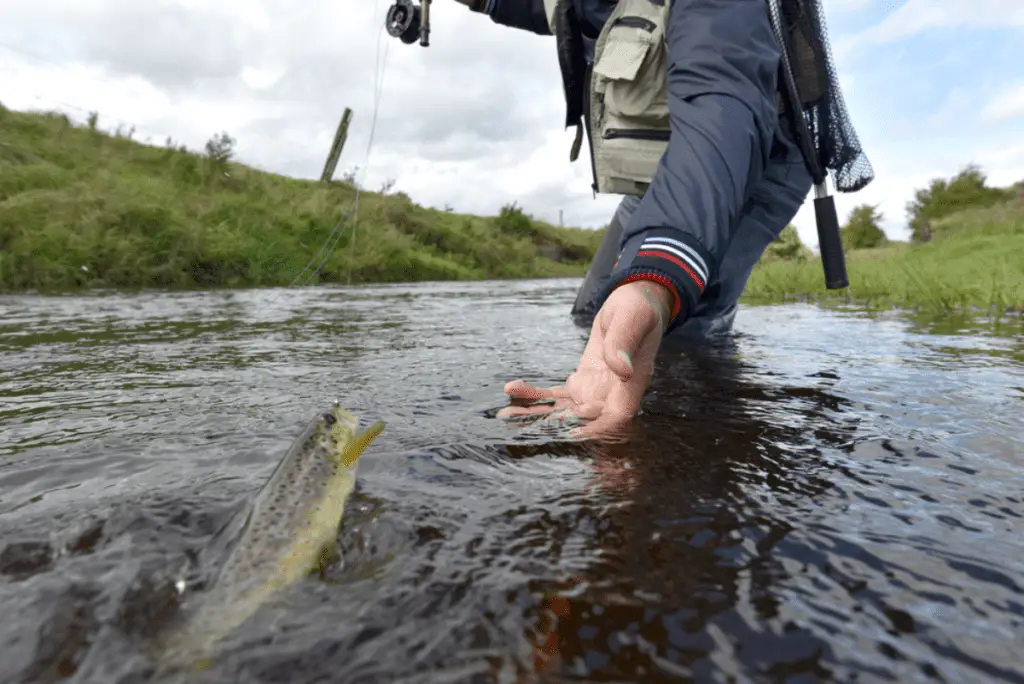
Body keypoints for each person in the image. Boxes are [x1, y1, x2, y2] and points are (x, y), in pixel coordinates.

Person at [449, 0, 873, 438]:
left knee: (678, 327)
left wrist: (659, 273)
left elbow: (722, 101)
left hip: (760, 157)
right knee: (596, 313)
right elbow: (562, 8)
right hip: (666, 163)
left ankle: (698, 446)